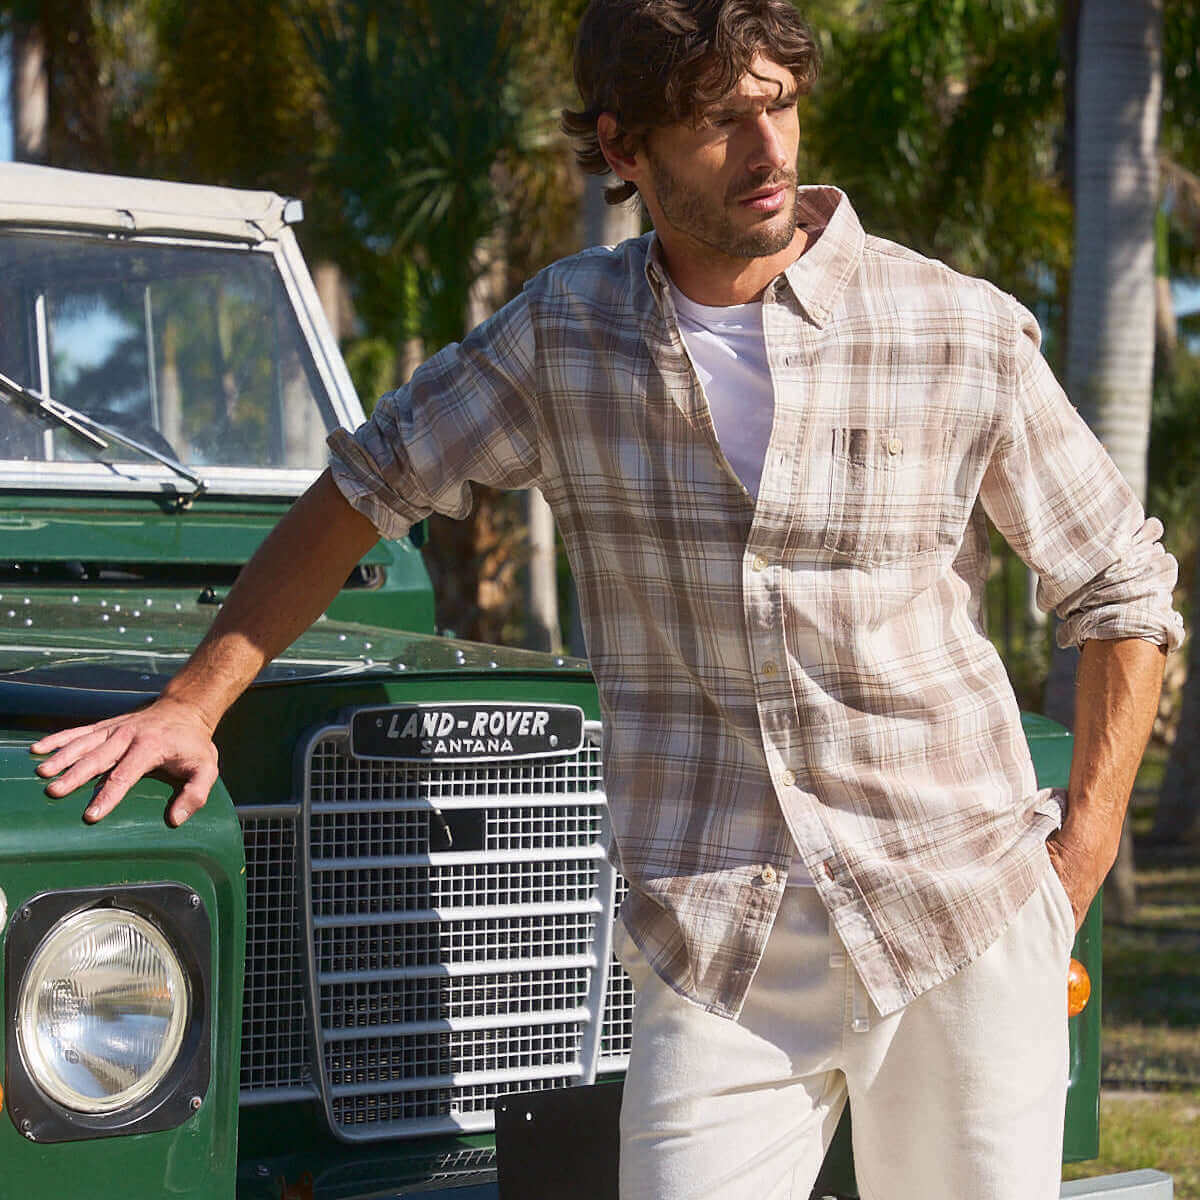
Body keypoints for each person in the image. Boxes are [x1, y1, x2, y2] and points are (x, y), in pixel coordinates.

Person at [33, 2, 1183, 1197]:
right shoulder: (564, 335)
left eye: (781, 104)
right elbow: (364, 487)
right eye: (721, 121)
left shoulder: (953, 326)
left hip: (958, 921)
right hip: (725, 951)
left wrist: (1080, 858)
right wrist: (194, 701)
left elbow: (1121, 586)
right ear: (625, 147)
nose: (769, 149)